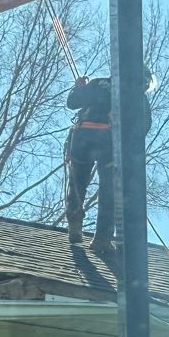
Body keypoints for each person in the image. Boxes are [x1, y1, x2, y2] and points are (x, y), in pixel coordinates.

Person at [63, 72, 152, 256]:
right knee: (109, 190)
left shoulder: (99, 83)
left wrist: (78, 88)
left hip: (82, 135)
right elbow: (143, 127)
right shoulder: (138, 96)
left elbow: (73, 103)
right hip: (108, 140)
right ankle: (102, 238)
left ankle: (75, 221)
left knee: (77, 182)